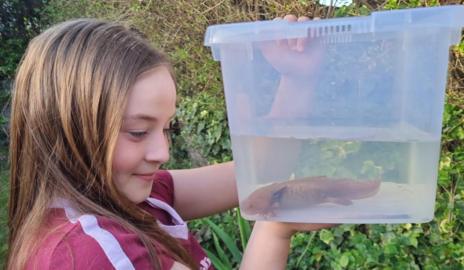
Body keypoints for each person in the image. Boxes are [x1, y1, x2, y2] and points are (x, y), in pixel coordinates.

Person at [7, 16, 334, 270]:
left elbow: (262, 172)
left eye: (167, 128)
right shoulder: (95, 254)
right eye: (137, 132)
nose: (162, 152)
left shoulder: (126, 198)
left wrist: (297, 78)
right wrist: (274, 229)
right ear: (68, 129)